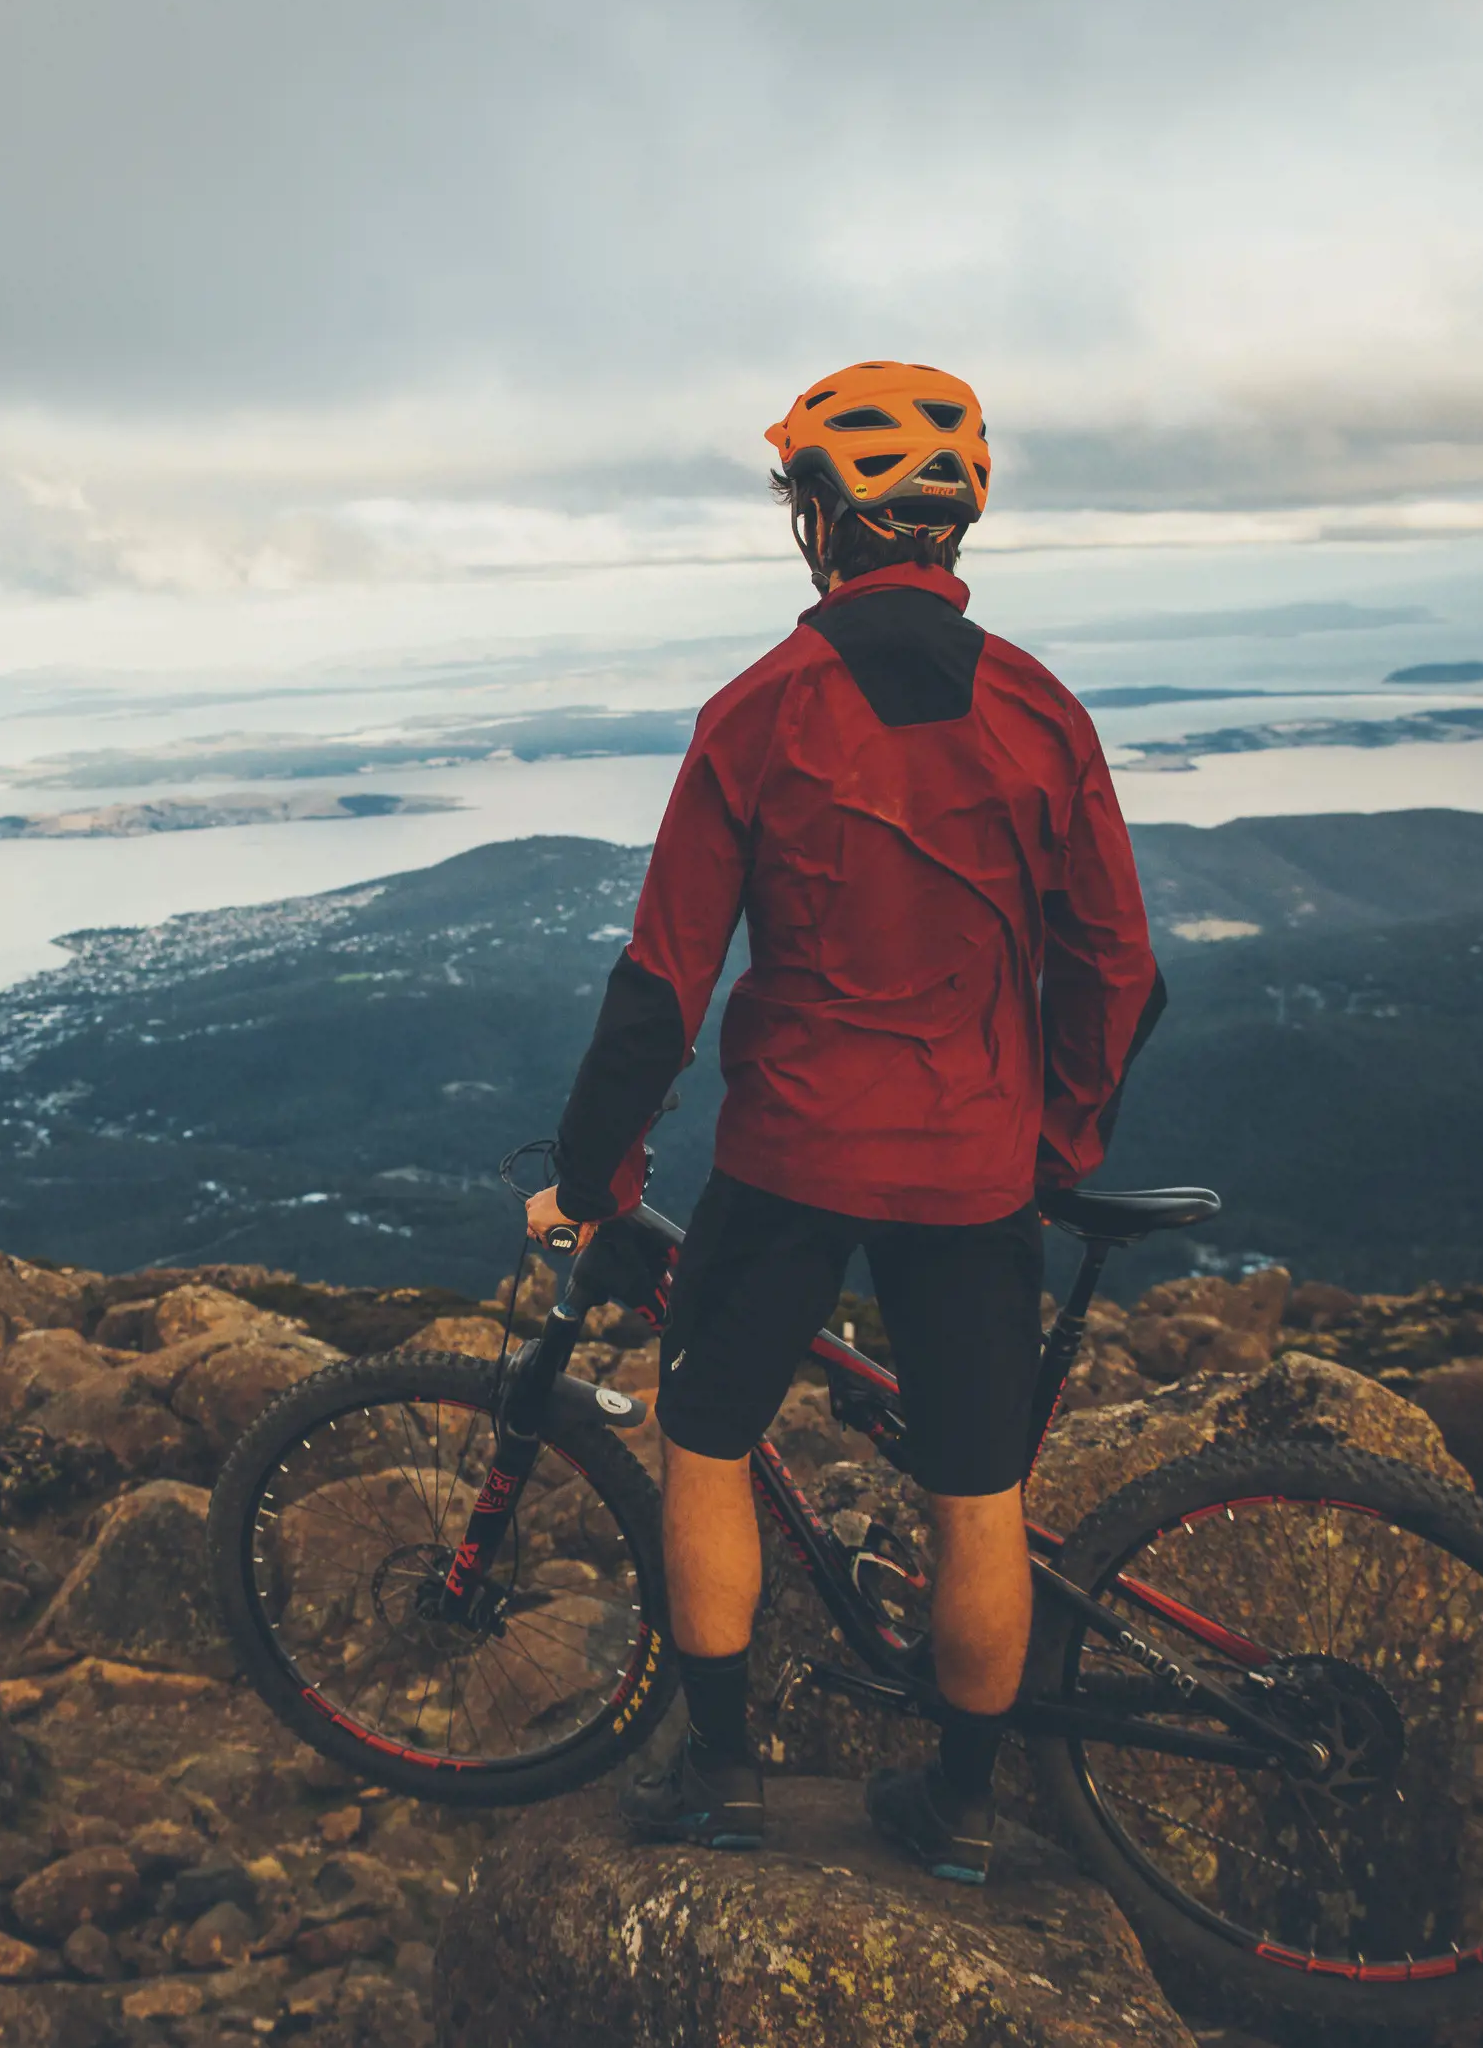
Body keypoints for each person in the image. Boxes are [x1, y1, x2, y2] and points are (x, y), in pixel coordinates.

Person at [523, 360, 1163, 1880]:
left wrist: (588, 1179)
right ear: (950, 526)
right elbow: (1117, 967)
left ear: (821, 518)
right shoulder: (1039, 712)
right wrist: (1053, 1141)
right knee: (976, 1490)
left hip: (792, 1159)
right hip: (971, 1170)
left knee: (706, 1443)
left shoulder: (756, 714)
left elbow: (659, 987)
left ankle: (724, 1775)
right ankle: (954, 1808)